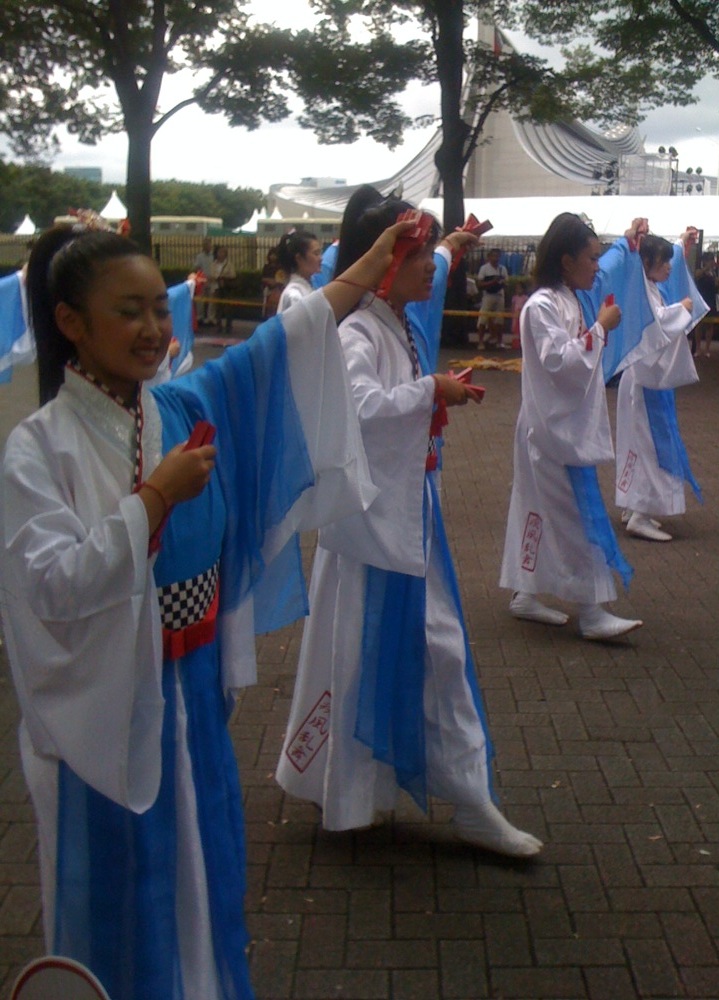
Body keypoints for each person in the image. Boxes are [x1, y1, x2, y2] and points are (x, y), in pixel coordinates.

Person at [0, 220, 416, 1000]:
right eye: (129, 311)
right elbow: (52, 586)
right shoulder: (37, 449)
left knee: (205, 869)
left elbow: (273, 352)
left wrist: (365, 268)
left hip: (191, 688)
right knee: (126, 888)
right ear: (69, 322)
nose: (152, 329)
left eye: (160, 308)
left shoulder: (181, 403)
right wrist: (154, 499)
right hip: (112, 709)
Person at [276, 187, 543, 859]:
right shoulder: (356, 330)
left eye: (431, 254)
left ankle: (377, 791)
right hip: (372, 529)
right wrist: (431, 392)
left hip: (401, 516)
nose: (433, 268)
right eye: (420, 255)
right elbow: (361, 408)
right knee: (415, 653)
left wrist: (430, 393)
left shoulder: (390, 321)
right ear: (384, 260)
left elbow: (381, 403)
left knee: (380, 655)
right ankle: (438, 797)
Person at [499, 213, 646, 641]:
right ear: (567, 260)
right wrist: (600, 328)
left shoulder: (566, 297)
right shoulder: (543, 306)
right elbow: (560, 361)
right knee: (576, 517)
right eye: (591, 258)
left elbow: (607, 274)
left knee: (536, 509)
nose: (597, 267)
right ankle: (591, 610)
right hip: (551, 429)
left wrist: (628, 242)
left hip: (553, 424)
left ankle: (525, 591)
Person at [615, 233, 706, 541]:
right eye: (663, 261)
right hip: (645, 383)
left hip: (642, 380)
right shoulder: (640, 289)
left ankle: (633, 505)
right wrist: (682, 308)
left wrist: (681, 244)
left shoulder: (646, 286)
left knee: (638, 444)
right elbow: (656, 324)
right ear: (646, 262)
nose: (668, 266)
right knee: (649, 447)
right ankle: (640, 513)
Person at [276, 229, 322, 313]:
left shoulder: (308, 287)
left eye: (320, 253)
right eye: (316, 253)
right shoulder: (294, 295)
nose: (321, 258)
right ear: (299, 258)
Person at [475, 247, 508, 350]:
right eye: (493, 256)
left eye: (497, 256)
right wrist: (493, 281)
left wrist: (502, 283)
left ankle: (499, 341)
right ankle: (480, 341)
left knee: (500, 319)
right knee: (483, 318)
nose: (495, 258)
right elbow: (480, 284)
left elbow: (506, 282)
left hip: (499, 295)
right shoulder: (484, 268)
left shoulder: (502, 269)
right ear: (489, 257)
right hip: (488, 295)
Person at [693, 252, 718, 357]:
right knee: (699, 325)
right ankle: (698, 348)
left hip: (711, 300)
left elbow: (716, 285)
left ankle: (707, 349)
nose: (712, 262)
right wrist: (706, 269)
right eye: (710, 260)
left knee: (710, 325)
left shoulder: (714, 273)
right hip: (700, 299)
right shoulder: (700, 270)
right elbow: (696, 276)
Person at [206, 245, 236, 329]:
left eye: (223, 252)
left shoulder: (229, 264)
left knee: (227, 307)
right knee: (218, 307)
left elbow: (233, 275)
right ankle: (218, 324)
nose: (221, 254)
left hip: (226, 288)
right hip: (216, 287)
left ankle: (228, 325)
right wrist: (217, 278)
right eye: (219, 252)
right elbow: (211, 275)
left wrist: (223, 277)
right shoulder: (213, 264)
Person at [192, 237, 214, 325]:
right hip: (202, 280)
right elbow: (196, 267)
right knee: (200, 299)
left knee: (212, 300)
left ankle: (210, 318)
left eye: (208, 244)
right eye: (205, 244)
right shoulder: (200, 256)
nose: (207, 246)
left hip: (212, 279)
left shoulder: (213, 256)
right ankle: (199, 317)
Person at [259, 248, 284, 318]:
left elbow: (281, 279)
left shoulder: (280, 267)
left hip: (277, 289)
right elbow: (263, 278)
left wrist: (275, 282)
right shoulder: (266, 267)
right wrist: (269, 281)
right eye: (271, 255)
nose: (272, 256)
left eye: (274, 255)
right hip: (267, 288)